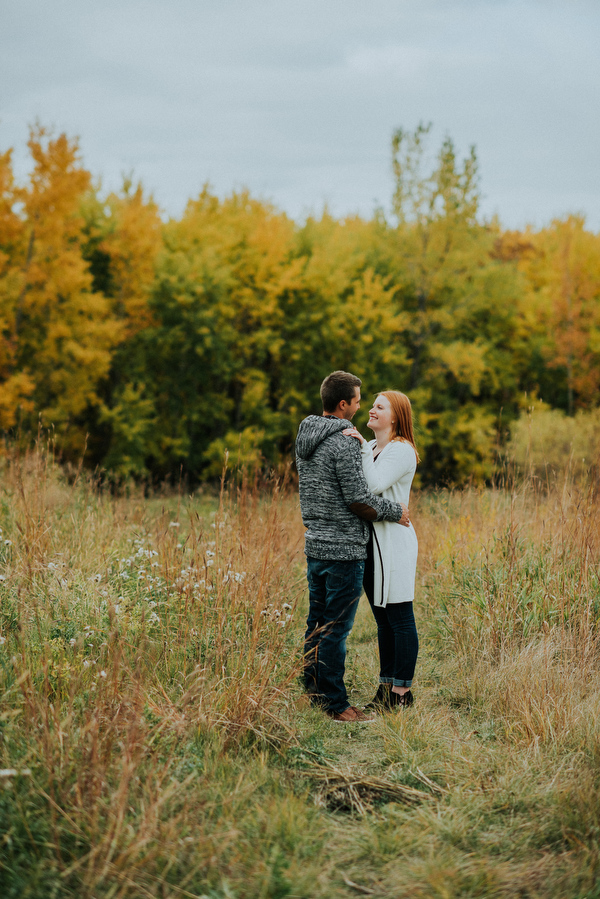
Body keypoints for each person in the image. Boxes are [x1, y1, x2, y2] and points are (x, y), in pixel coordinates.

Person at [295, 371, 410, 723]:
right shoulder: (345, 441)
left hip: (315, 544)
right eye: (359, 401)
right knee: (336, 629)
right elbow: (358, 499)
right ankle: (335, 703)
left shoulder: (305, 436)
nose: (361, 407)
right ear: (343, 404)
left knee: (316, 622)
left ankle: (313, 689)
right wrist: (397, 512)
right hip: (344, 548)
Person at [344, 390, 419, 710]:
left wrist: (359, 446)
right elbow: (357, 488)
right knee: (383, 621)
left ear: (396, 417)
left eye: (379, 406)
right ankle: (385, 689)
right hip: (371, 544)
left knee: (400, 618)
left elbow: (371, 486)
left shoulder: (401, 450)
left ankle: (402, 695)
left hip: (394, 543)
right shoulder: (375, 446)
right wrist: (365, 447)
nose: (371, 410)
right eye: (372, 405)